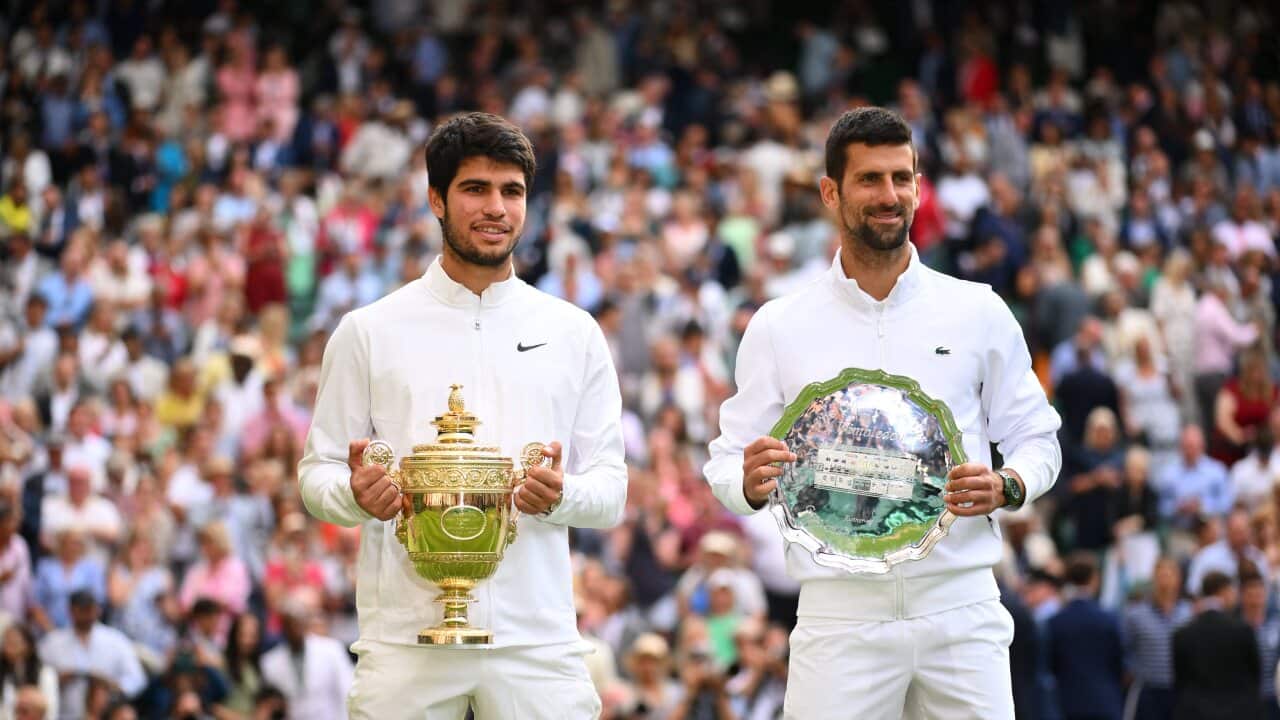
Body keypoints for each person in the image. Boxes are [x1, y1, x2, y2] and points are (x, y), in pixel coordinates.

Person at [704, 106, 1062, 718]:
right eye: (869, 179)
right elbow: (727, 459)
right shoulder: (778, 325)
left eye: (901, 178)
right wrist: (747, 481)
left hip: (960, 609)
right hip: (838, 615)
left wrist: (1008, 483)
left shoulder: (978, 310)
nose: (889, 195)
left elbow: (1038, 438)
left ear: (919, 188)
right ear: (830, 193)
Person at [298, 111, 627, 718]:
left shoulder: (573, 332)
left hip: (537, 640)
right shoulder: (369, 330)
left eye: (512, 191)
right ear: (436, 200)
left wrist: (560, 496)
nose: (496, 208)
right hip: (406, 640)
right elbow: (317, 474)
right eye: (476, 189)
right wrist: (355, 495)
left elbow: (610, 491)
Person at [1172, 571, 1262, 720]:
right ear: (1224, 592)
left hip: (1195, 713)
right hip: (1237, 712)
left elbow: (1180, 681)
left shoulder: (1182, 634)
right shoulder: (1243, 631)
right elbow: (1254, 676)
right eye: (1232, 591)